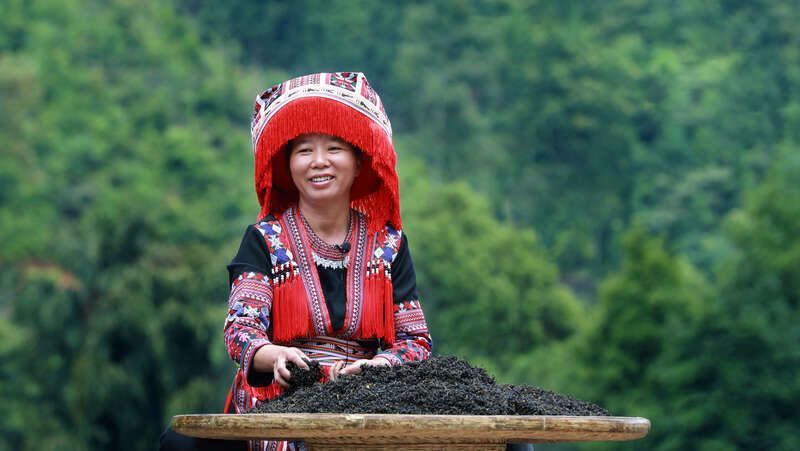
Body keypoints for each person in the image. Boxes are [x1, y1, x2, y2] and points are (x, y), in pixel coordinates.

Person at [160, 72, 432, 451]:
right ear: (289, 165)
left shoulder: (390, 245)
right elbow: (241, 331)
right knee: (180, 444)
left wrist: (379, 367)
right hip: (279, 402)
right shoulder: (263, 240)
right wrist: (278, 356)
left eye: (334, 148)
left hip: (368, 405)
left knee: (507, 443)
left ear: (357, 161)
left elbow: (416, 342)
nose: (319, 162)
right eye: (304, 150)